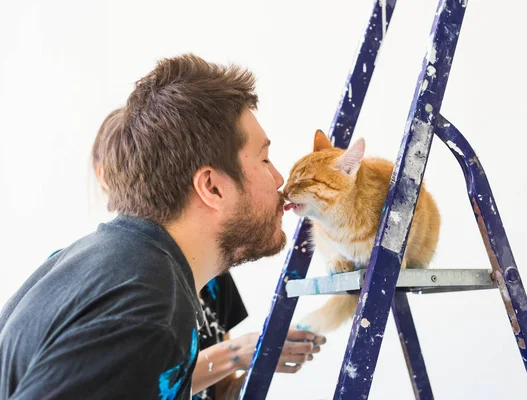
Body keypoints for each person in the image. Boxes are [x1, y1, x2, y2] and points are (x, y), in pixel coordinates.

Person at [0, 54, 322, 399]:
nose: (279, 179)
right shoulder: (149, 312)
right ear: (211, 187)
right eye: (264, 160)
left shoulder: (101, 262)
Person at [90, 107, 326, 399]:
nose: (278, 178)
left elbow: (220, 391)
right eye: (263, 159)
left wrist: (258, 362)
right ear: (103, 175)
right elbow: (132, 387)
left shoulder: (212, 274)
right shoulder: (106, 280)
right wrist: (236, 352)